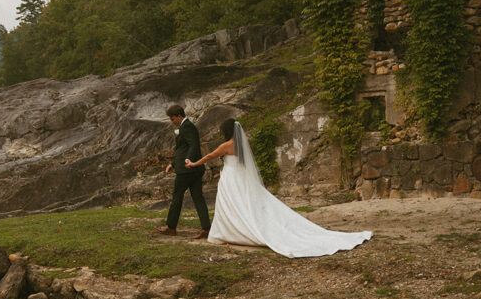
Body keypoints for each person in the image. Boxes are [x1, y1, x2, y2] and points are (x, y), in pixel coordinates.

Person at [185, 118, 372, 257]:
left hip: (232, 178)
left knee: (232, 204)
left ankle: (230, 231)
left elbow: (208, 157)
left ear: (226, 131)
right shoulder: (241, 144)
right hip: (241, 177)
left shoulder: (226, 145)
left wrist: (193, 163)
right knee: (245, 203)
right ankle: (233, 229)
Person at [155, 104, 211, 239]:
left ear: (180, 116)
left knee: (177, 197)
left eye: (173, 119)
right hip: (193, 169)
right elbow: (182, 149)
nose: (171, 122)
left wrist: (188, 160)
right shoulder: (185, 127)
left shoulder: (187, 127)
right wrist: (173, 164)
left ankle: (171, 227)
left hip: (187, 170)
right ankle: (206, 229)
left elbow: (194, 145)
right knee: (198, 198)